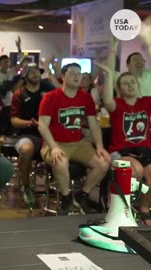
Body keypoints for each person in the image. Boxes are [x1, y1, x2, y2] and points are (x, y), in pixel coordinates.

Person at [38, 63, 110, 215]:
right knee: (60, 161)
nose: (77, 76)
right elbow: (42, 126)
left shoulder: (85, 97)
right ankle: (65, 198)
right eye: (72, 73)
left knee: (103, 163)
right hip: (54, 143)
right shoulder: (50, 97)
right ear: (63, 77)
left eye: (79, 73)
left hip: (78, 143)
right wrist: (54, 147)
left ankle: (82, 194)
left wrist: (100, 146)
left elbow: (94, 125)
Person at [96, 48, 151, 225]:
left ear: (138, 85)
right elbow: (107, 100)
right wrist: (109, 72)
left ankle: (143, 209)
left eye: (132, 82)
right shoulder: (117, 105)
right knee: (136, 171)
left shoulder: (146, 102)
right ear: (119, 89)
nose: (129, 85)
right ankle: (117, 209)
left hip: (144, 151)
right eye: (125, 83)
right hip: (121, 151)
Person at [10, 64, 55, 204]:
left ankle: (57, 187)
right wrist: (31, 123)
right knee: (26, 150)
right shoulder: (19, 94)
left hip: (49, 134)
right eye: (31, 72)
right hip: (28, 134)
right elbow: (14, 121)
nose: (35, 74)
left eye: (37, 72)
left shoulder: (48, 91)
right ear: (25, 76)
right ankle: (27, 187)